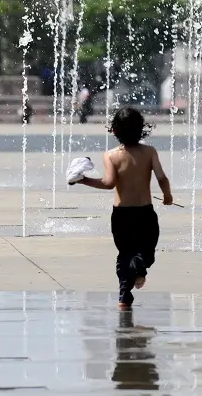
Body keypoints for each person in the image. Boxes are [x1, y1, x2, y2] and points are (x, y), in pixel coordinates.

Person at [73, 107, 173, 310]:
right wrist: (167, 195)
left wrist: (83, 180)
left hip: (121, 215)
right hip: (145, 212)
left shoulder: (110, 156)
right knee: (146, 252)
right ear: (141, 129)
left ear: (115, 131)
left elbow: (109, 183)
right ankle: (139, 267)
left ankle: (124, 296)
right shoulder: (149, 152)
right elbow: (161, 177)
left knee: (124, 254)